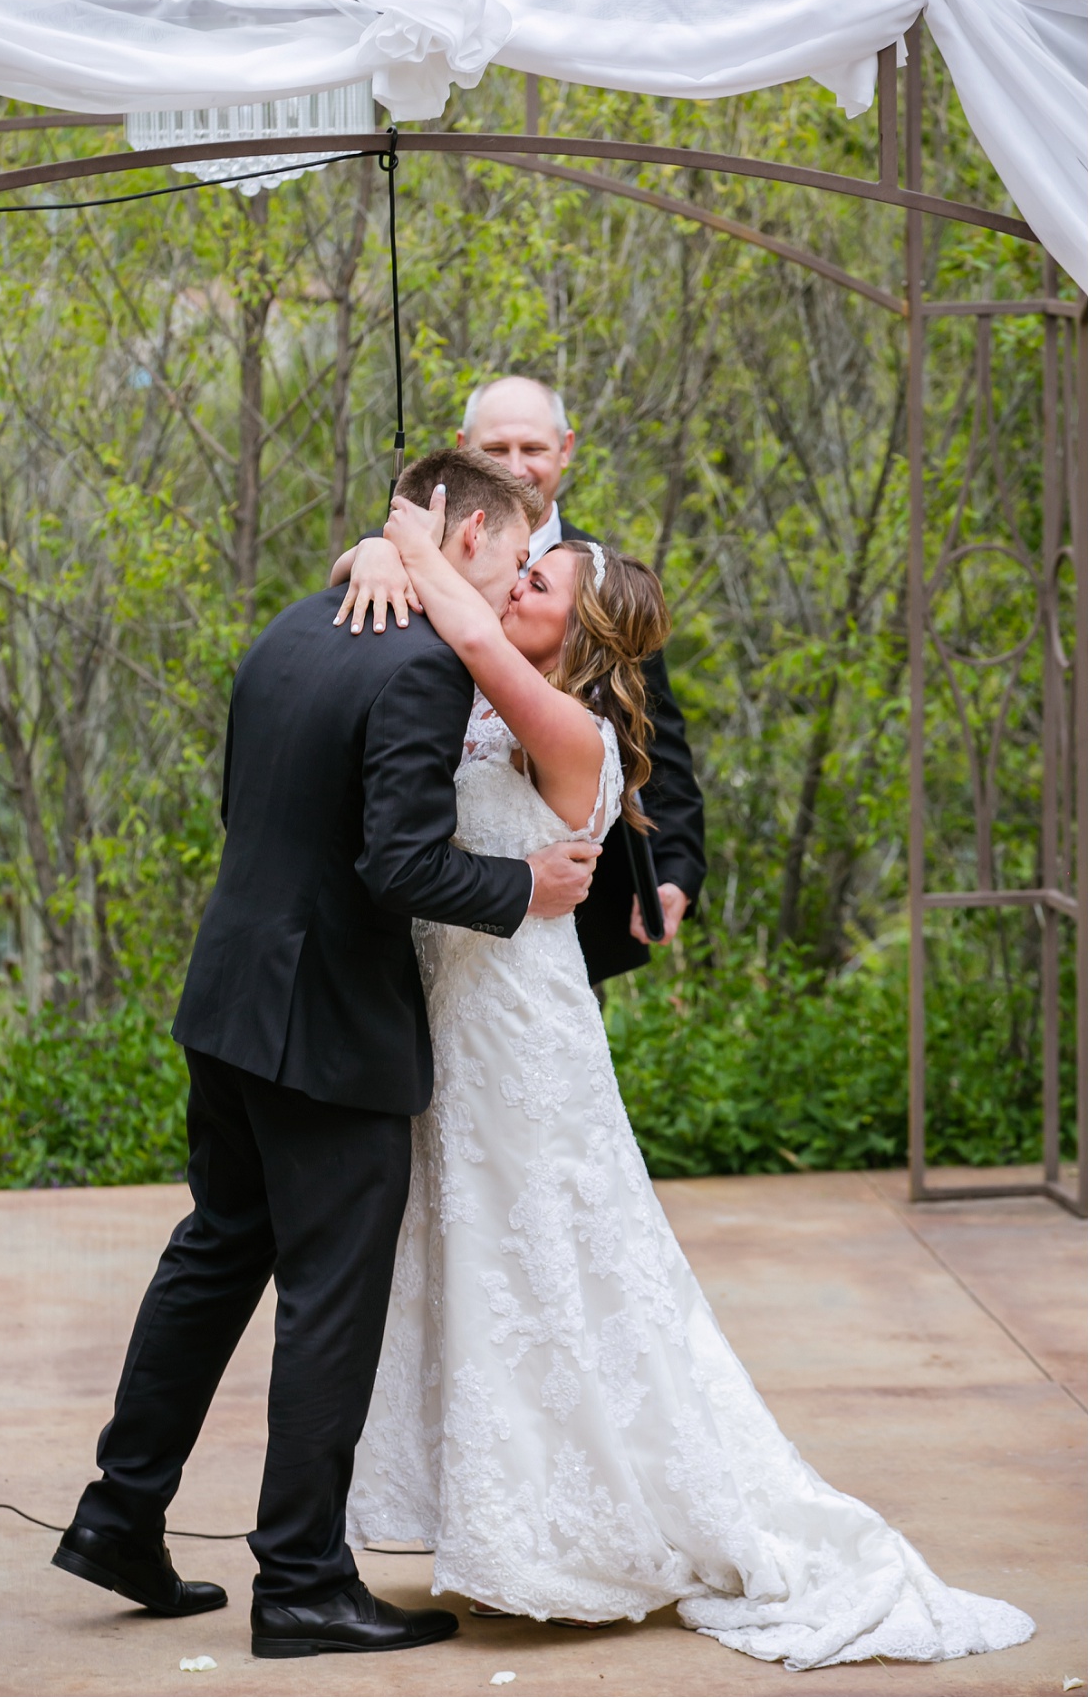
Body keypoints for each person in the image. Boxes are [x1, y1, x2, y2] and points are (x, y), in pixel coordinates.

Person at [334, 481, 1034, 1671]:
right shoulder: (491, 696)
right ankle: (506, 1520)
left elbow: (464, 628)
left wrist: (406, 541)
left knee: (549, 1258)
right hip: (455, 1014)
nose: (520, 582)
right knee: (481, 1259)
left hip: (526, 1034)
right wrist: (380, 550)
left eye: (542, 583)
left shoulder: (578, 737)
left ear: (585, 634)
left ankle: (593, 1530)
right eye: (519, 571)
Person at [52, 454, 602, 1661]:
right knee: (329, 1300)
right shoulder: (418, 667)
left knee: (215, 1252)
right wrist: (523, 886)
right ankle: (301, 1581)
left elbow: (249, 809)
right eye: (511, 558)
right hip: (325, 1026)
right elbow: (398, 865)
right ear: (461, 540)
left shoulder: (296, 624)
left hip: (231, 993)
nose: (510, 586)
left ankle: (118, 1512)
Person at [344, 375, 706, 985]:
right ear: (463, 448)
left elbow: (657, 740)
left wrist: (674, 866)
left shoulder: (602, 585)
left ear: (565, 449)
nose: (519, 465)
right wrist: (377, 550)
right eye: (497, 450)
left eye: (533, 449)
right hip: (427, 913)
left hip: (549, 927)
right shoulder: (438, 550)